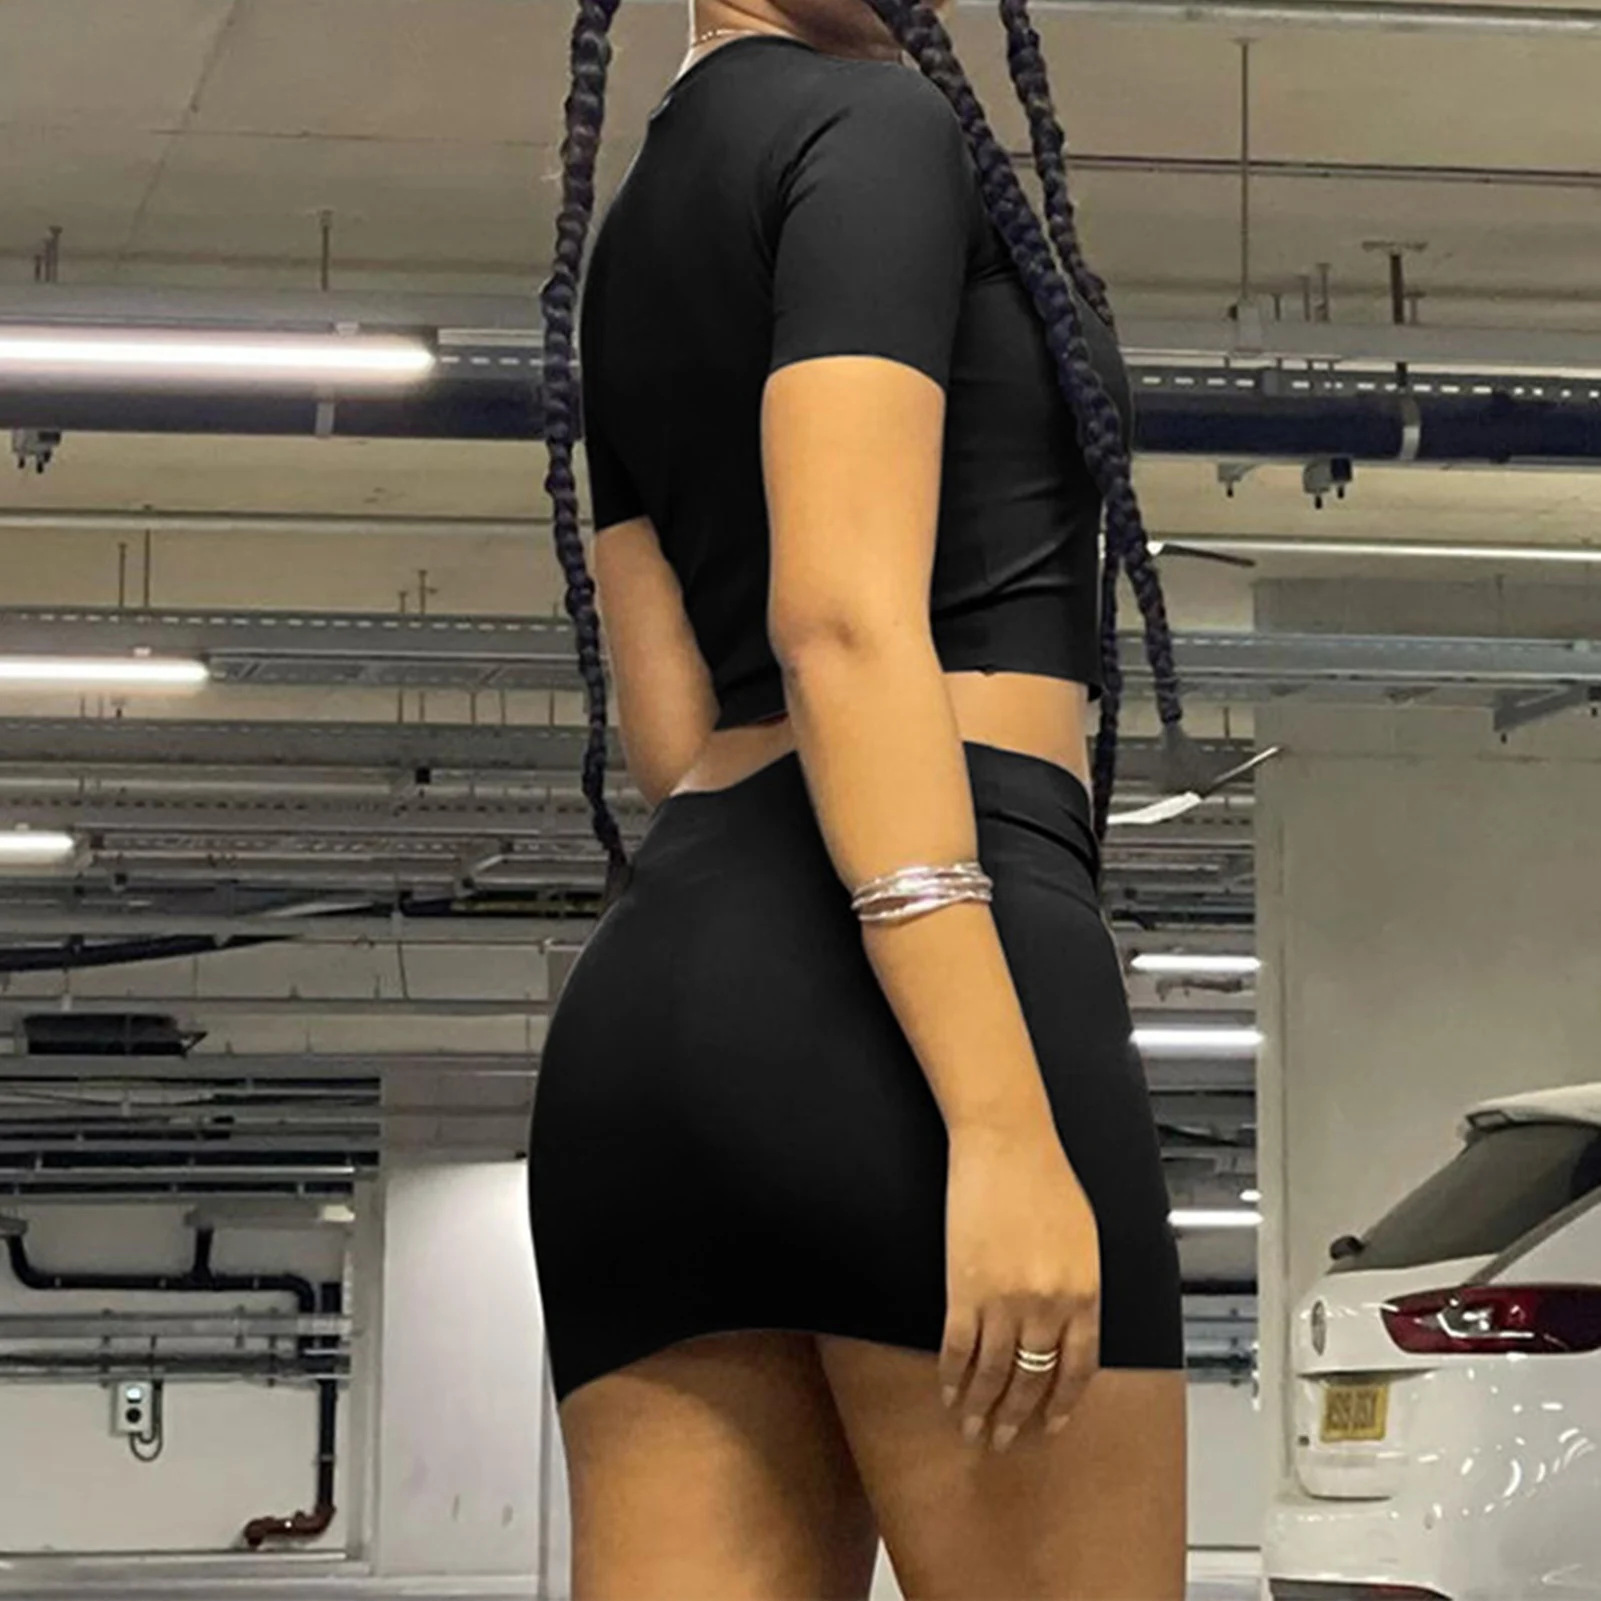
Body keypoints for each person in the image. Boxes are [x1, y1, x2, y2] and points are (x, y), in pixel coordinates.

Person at [528, 0, 1189, 1593]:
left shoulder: (634, 229)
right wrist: (999, 1120)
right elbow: (835, 623)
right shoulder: (877, 129)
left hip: (661, 1020)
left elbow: (672, 726)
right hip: (927, 984)